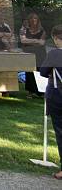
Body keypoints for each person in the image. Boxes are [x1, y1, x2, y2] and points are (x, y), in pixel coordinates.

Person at [39, 25, 62, 180]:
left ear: (55, 37)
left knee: (60, 131)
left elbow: (43, 72)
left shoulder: (55, 53)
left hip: (58, 94)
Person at [21, 12, 48, 98]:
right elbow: (23, 41)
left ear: (38, 20)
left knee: (41, 71)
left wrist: (30, 40)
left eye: (35, 18)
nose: (33, 20)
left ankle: (42, 91)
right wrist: (36, 41)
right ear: (29, 20)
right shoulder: (24, 29)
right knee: (29, 71)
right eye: (32, 18)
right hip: (29, 52)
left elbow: (42, 42)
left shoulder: (42, 30)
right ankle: (30, 91)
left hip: (40, 53)